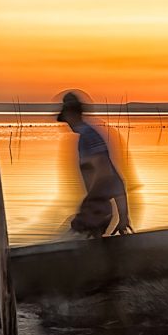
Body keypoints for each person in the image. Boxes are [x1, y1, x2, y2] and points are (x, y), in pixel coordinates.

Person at [57, 91, 132, 238]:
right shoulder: (88, 136)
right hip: (97, 209)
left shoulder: (88, 137)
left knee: (72, 237)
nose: (67, 123)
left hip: (96, 210)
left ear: (71, 114)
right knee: (86, 243)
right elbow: (117, 181)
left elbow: (105, 172)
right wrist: (123, 216)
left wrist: (90, 203)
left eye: (66, 119)